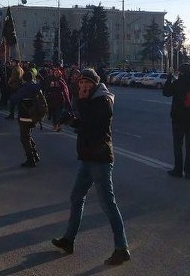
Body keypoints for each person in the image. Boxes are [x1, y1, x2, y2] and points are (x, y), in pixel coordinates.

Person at [52, 68, 130, 266]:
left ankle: (121, 248)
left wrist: (79, 107)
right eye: (81, 82)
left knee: (107, 204)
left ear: (95, 84)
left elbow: (94, 125)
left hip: (100, 159)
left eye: (87, 82)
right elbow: (84, 123)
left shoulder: (103, 101)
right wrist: (69, 120)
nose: (83, 86)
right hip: (88, 158)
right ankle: (69, 240)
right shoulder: (91, 100)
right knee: (76, 197)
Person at [162, 63, 190, 179]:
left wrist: (169, 77)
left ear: (181, 72)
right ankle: (189, 172)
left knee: (178, 145)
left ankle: (178, 170)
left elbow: (166, 93)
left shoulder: (178, 83)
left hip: (179, 120)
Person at [10, 71, 47, 167]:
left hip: (25, 116)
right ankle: (35, 155)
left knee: (24, 138)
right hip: (34, 116)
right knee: (28, 135)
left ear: (23, 78)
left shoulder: (24, 88)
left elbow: (14, 100)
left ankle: (31, 159)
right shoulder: (36, 87)